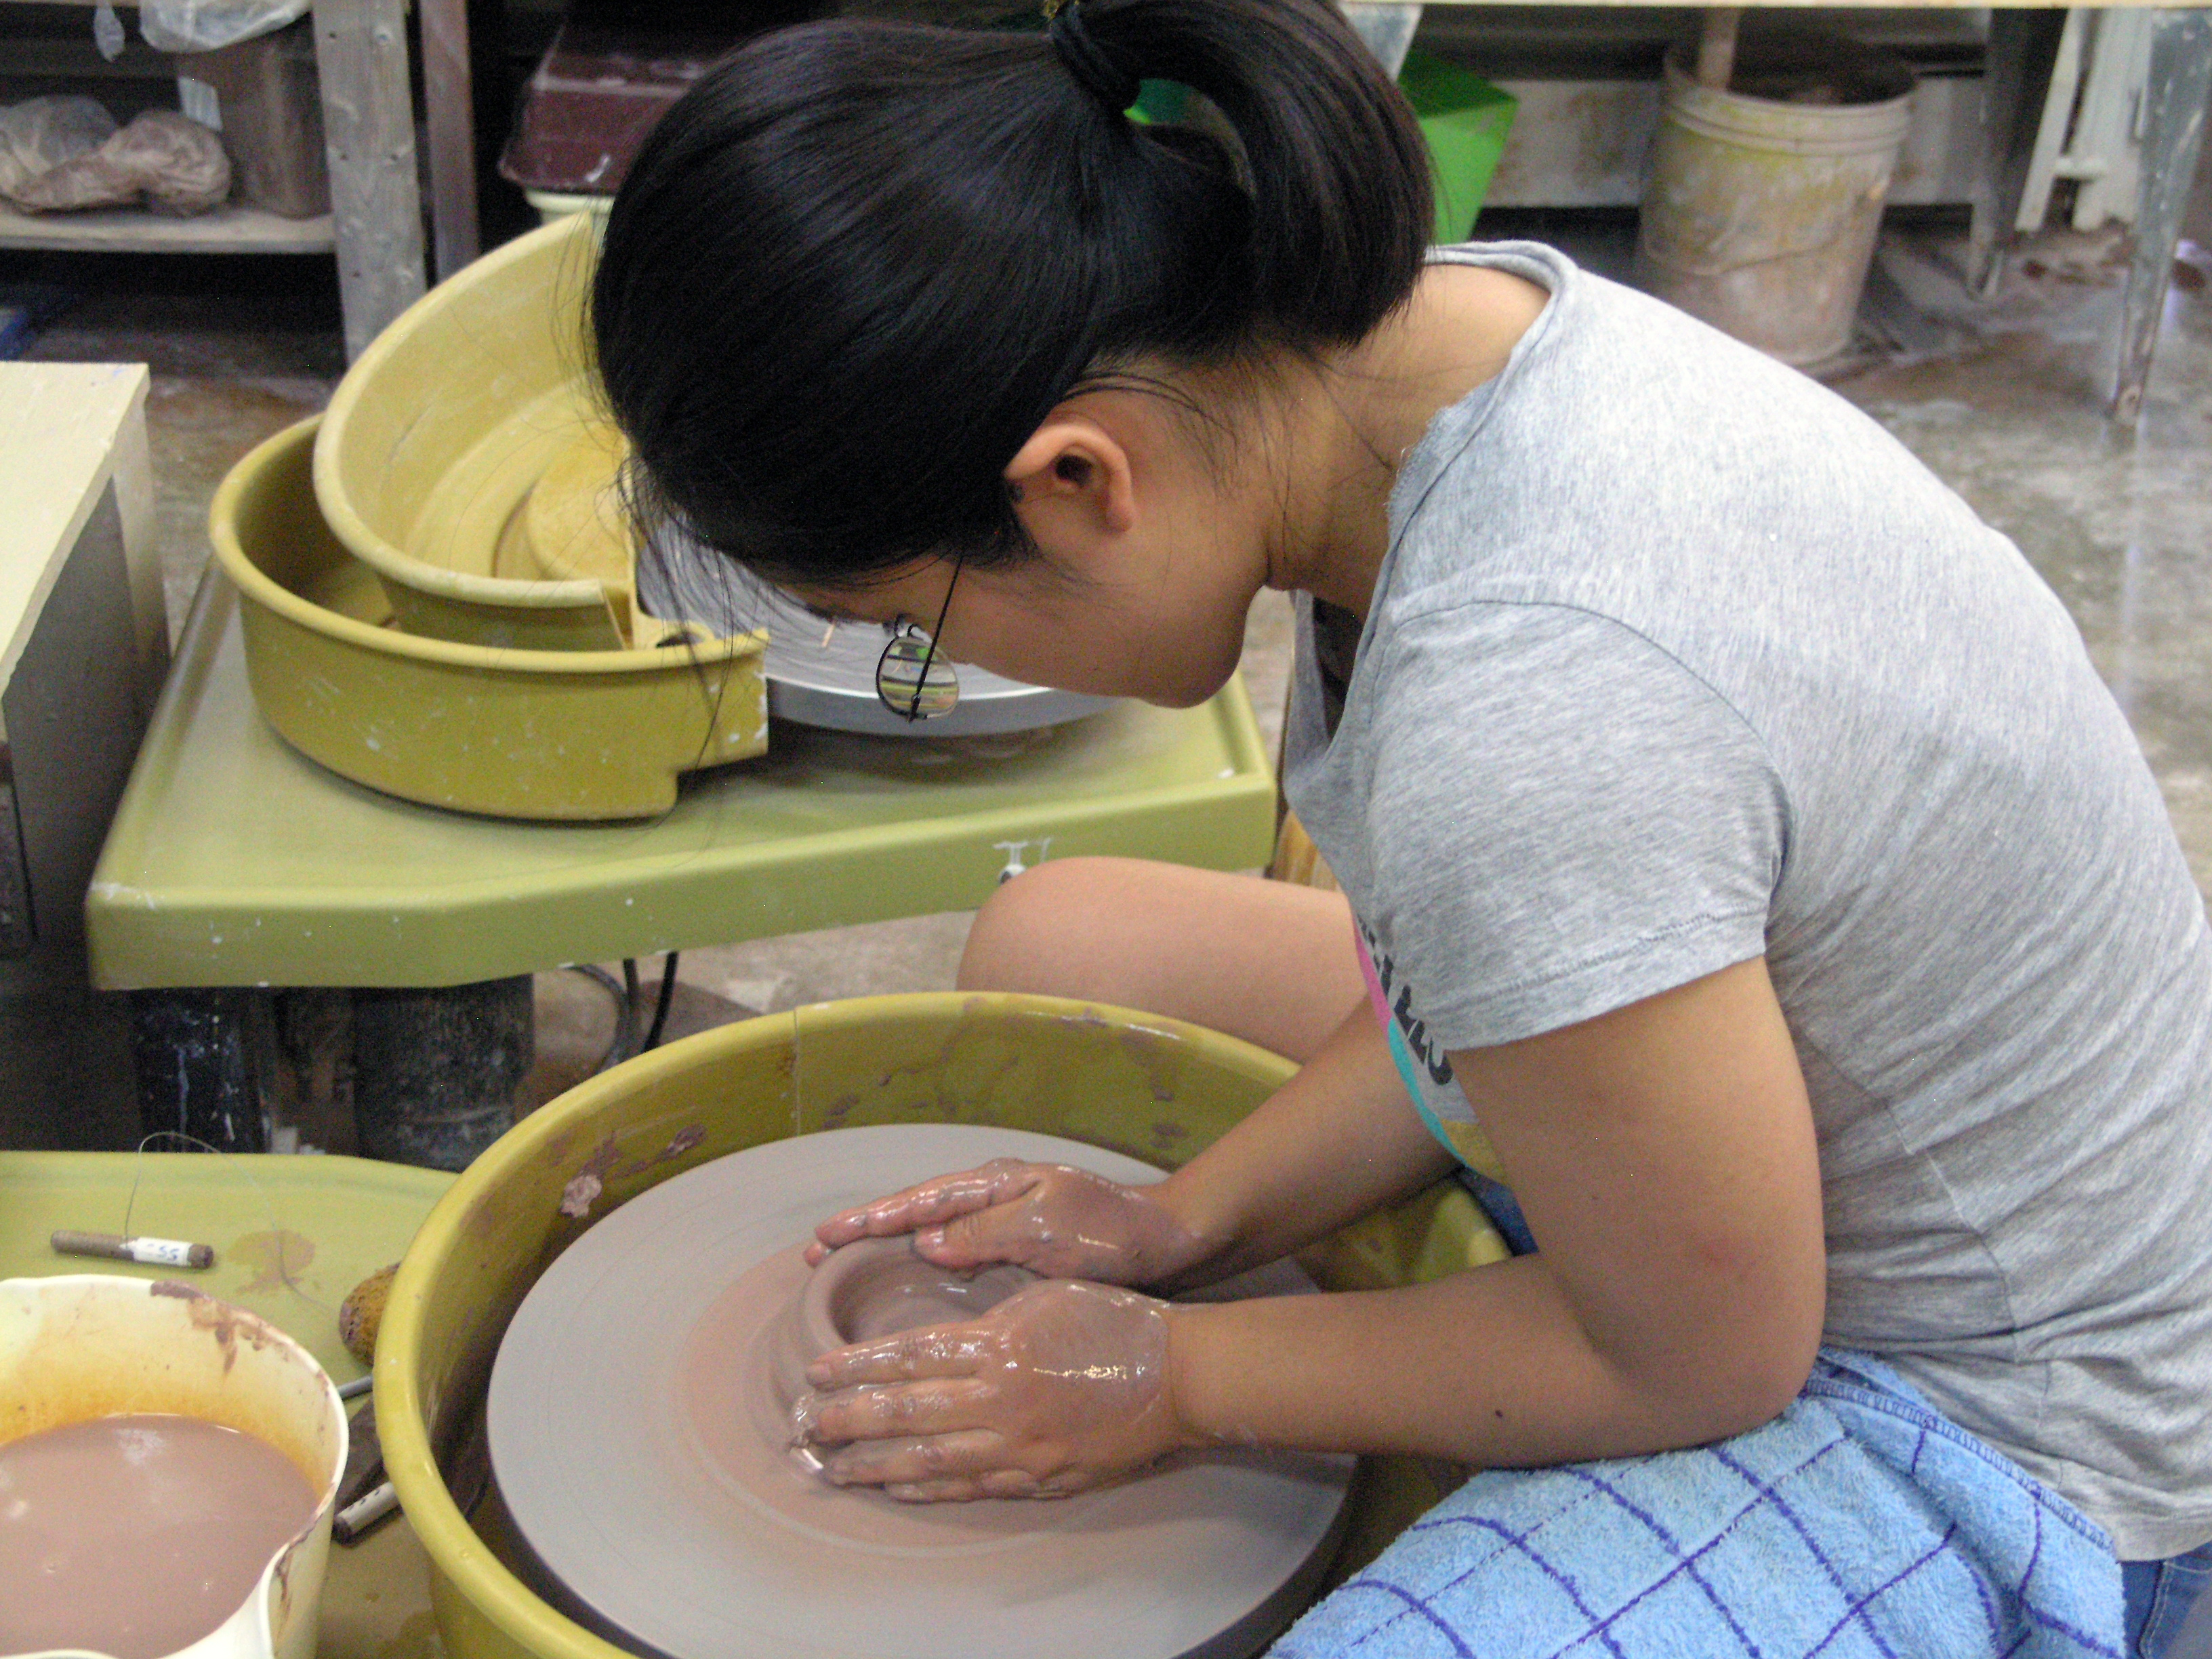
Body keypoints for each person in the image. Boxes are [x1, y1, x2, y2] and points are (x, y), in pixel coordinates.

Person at [588, 0, 2212, 1651]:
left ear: (1079, 482)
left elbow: (1703, 1356)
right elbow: (1482, 988)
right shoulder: (1420, 347)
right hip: (1791, 1075)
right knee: (1054, 941)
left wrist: (1172, 1376)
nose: (933, 669)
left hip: (2019, 1414)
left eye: (905, 629)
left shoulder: (1526, 696)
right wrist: (1185, 1221)